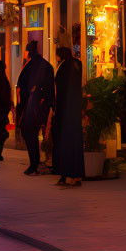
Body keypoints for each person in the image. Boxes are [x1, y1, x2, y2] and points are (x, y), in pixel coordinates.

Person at [17, 41, 55, 176]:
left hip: (33, 106)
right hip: (41, 106)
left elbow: (22, 87)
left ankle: (34, 164)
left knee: (29, 133)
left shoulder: (31, 66)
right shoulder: (45, 66)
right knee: (33, 133)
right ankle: (37, 163)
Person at [51, 46, 85, 188]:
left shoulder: (64, 67)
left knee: (66, 143)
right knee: (76, 142)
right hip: (75, 110)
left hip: (65, 110)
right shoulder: (78, 64)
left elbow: (60, 89)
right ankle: (76, 175)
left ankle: (68, 175)